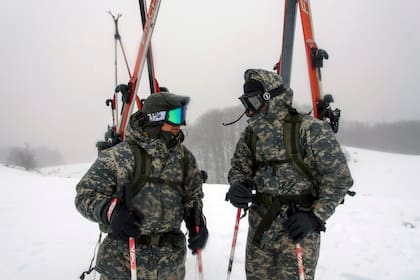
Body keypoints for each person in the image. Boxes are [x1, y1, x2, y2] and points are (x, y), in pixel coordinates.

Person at [225, 68, 353, 280]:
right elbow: (240, 167)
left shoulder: (310, 129)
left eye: (253, 102)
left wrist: (314, 217)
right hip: (261, 228)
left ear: (271, 98)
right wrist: (238, 184)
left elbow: (339, 180)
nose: (249, 110)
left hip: (297, 230)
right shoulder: (251, 134)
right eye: (246, 103)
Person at [75, 92, 208, 280]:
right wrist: (111, 212)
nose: (180, 125)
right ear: (156, 118)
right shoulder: (121, 155)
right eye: (176, 117)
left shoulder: (184, 158)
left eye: (182, 115)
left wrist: (197, 222)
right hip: (123, 265)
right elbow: (85, 194)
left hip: (170, 267)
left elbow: (193, 197)